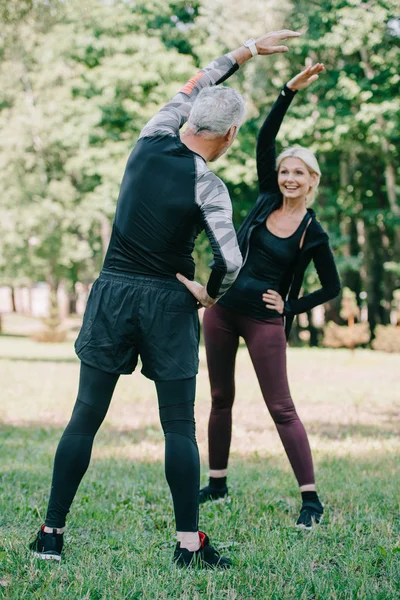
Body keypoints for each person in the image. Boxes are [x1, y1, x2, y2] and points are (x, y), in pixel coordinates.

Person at [29, 30, 301, 567]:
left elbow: (197, 81)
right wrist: (209, 293)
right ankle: (187, 545)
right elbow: (232, 259)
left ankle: (50, 535)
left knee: (85, 415)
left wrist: (246, 50)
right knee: (178, 425)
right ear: (230, 135)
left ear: (191, 119)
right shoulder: (210, 186)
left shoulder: (151, 135)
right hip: (168, 303)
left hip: (112, 291)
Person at [181, 64, 341, 530]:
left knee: (281, 407)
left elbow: (331, 287)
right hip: (223, 310)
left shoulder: (314, 233)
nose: (290, 178)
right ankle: (217, 482)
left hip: (264, 322)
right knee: (219, 397)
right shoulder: (268, 198)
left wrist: (290, 307)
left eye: (299, 173)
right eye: (285, 171)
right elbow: (265, 139)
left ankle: (310, 499)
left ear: (312, 181)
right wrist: (287, 91)